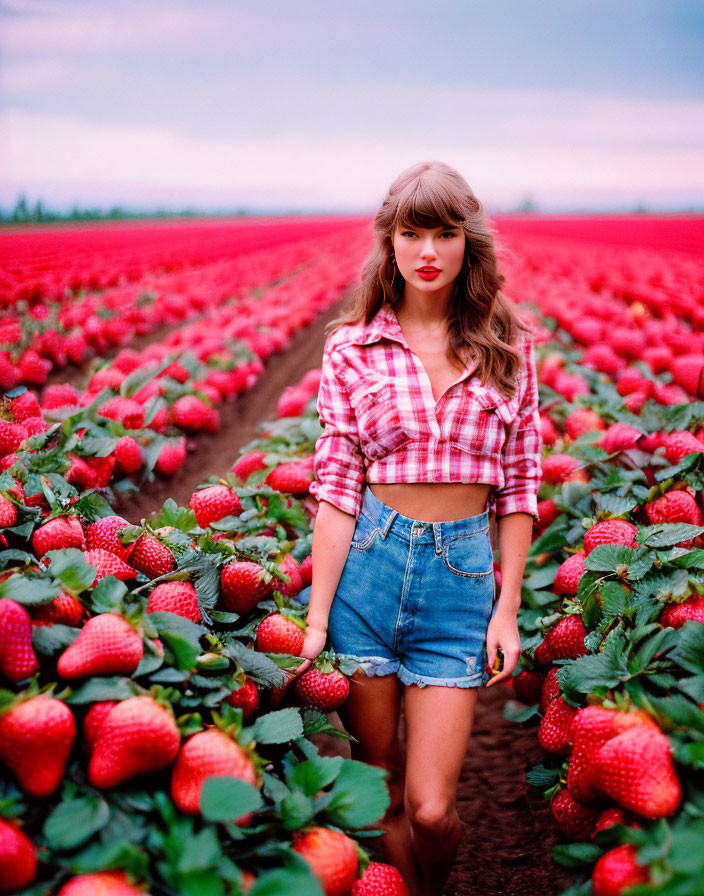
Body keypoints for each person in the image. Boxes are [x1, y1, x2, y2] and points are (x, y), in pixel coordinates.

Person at [298, 160, 542, 896]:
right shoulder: (351, 350)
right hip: (368, 571)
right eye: (412, 232)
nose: (428, 249)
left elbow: (521, 485)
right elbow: (338, 490)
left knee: (433, 811)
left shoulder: (504, 349)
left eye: (444, 232)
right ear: (390, 243)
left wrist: (508, 610)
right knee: (380, 792)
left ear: (468, 244)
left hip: (460, 581)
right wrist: (315, 622)